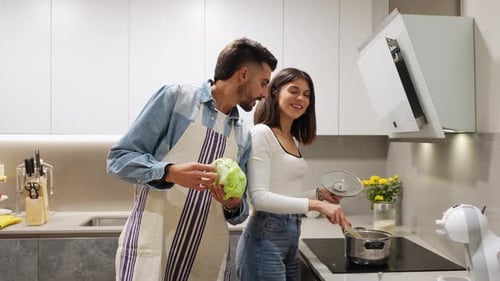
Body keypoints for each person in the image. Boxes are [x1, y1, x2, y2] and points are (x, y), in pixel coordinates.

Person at [106, 37, 277, 281]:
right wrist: (169, 172)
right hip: (157, 249)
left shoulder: (242, 134)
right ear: (243, 74)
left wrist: (232, 204)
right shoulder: (176, 99)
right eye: (263, 83)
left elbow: (240, 211)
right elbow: (119, 158)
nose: (265, 93)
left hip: (204, 257)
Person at [235, 67, 351, 281]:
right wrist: (318, 205)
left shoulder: (292, 139)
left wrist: (318, 195)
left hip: (290, 236)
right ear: (274, 92)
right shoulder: (262, 133)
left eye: (307, 95)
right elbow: (259, 198)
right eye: (294, 91)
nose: (301, 99)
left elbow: (283, 191)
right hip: (264, 238)